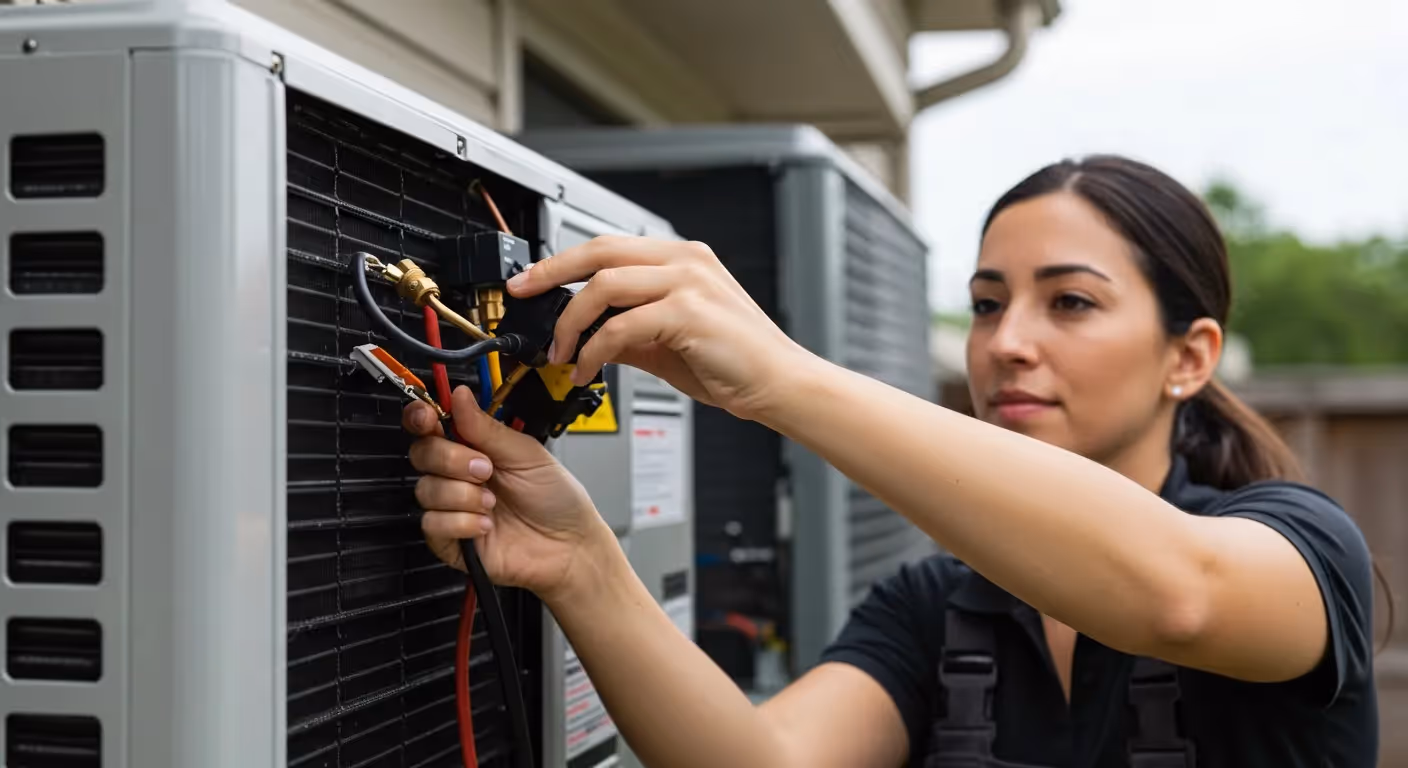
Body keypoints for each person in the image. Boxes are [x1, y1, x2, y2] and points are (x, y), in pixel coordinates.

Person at [401, 155, 1378, 767]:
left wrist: (778, 378)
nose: (1005, 344)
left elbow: (1178, 595)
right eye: (988, 303)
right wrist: (579, 566)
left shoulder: (1299, 547)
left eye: (1069, 302)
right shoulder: (932, 607)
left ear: (1189, 357)